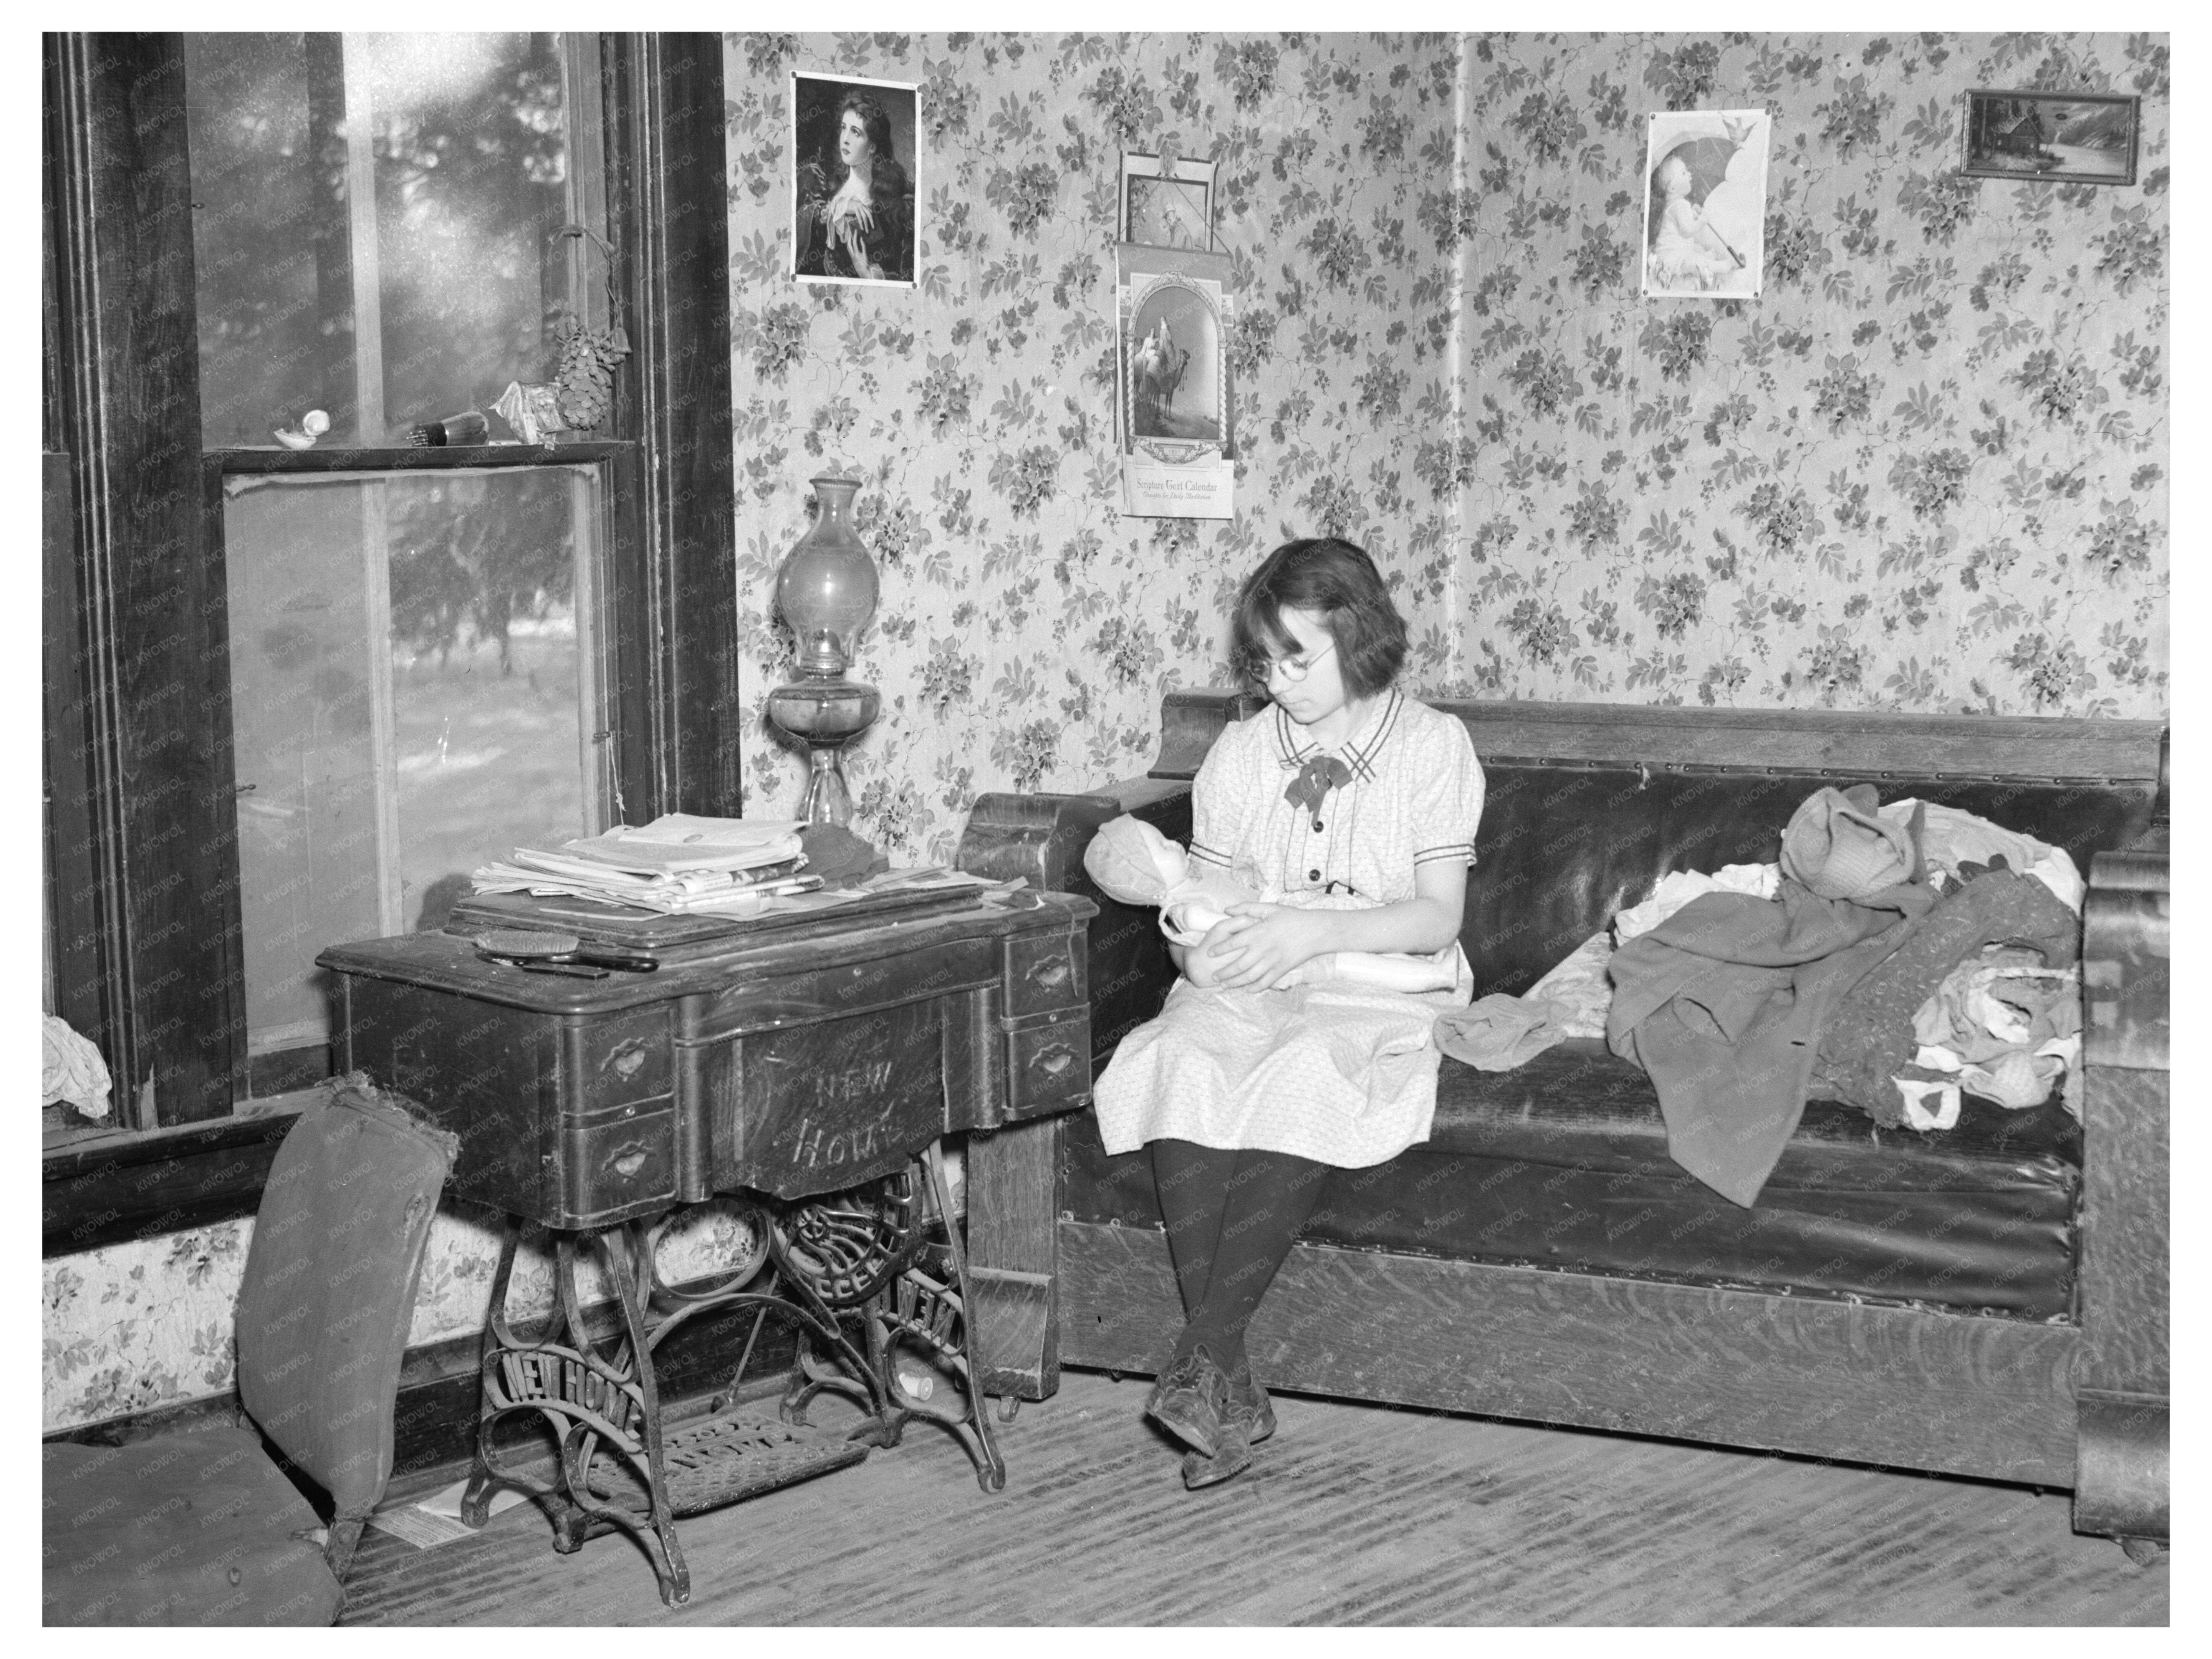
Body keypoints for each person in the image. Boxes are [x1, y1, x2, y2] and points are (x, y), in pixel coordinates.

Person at [1089, 536, 1486, 1488]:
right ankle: (1222, 1383)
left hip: (1374, 980)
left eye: (1295, 658)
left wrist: (1304, 936)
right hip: (1250, 977)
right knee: (1178, 1056)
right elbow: (1210, 897)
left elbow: (1436, 914)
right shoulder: (1239, 749)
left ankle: (1204, 1357)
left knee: (1304, 1069)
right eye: (1262, 661)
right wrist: (1197, 945)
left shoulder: (1432, 746)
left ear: (1357, 635)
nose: (1276, 682)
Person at [796, 91, 912, 282]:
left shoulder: (890, 206)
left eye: (856, 132)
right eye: (844, 128)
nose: (845, 139)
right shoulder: (831, 187)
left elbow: (907, 278)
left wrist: (866, 273)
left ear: (873, 147)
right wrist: (839, 206)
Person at [1647, 152, 1743, 291]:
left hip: (1678, 252)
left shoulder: (1678, 204)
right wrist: (1702, 221)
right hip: (1672, 257)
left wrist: (1695, 215)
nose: (1690, 174)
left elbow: (1685, 224)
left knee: (1697, 253)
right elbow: (1687, 231)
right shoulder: (1679, 205)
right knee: (1694, 262)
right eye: (1683, 173)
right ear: (1672, 188)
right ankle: (1721, 267)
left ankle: (1710, 263)